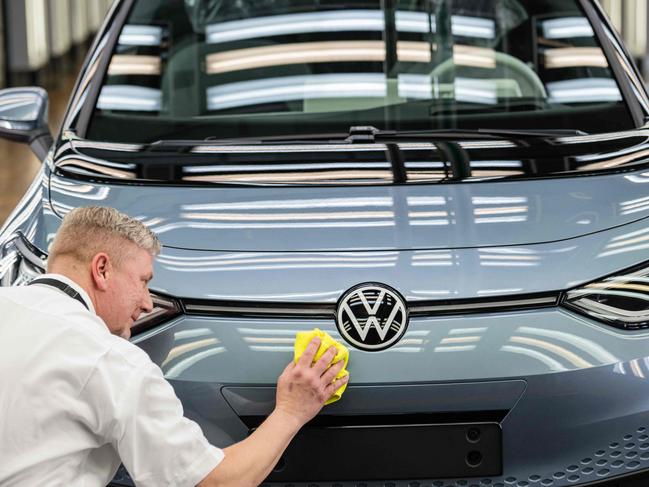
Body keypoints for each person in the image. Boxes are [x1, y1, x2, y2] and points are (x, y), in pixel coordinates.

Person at [0, 206, 348, 487]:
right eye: (143, 281)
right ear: (102, 269)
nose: (148, 303)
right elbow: (212, 484)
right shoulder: (109, 360)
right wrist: (291, 411)